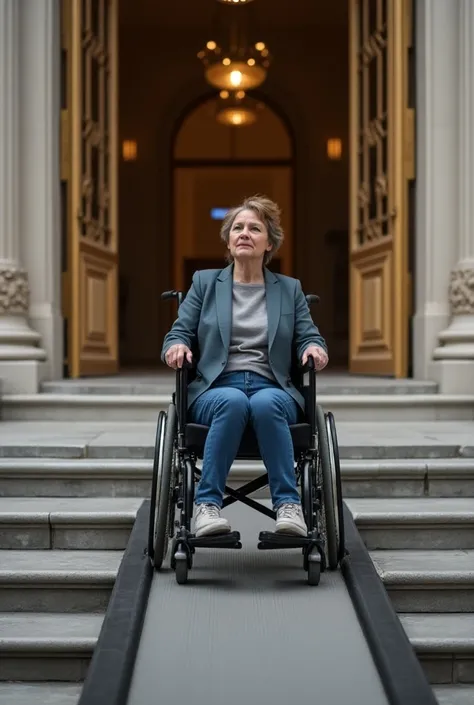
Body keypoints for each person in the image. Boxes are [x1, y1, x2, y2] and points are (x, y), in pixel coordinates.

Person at [161, 195, 328, 539]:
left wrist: (314, 347)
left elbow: (309, 335)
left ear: (270, 242)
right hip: (216, 390)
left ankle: (289, 508)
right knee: (233, 401)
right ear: (228, 239)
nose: (244, 234)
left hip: (273, 388)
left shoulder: (288, 289)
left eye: (255, 228)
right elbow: (179, 331)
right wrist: (176, 346)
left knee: (265, 404)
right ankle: (207, 508)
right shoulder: (205, 283)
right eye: (238, 228)